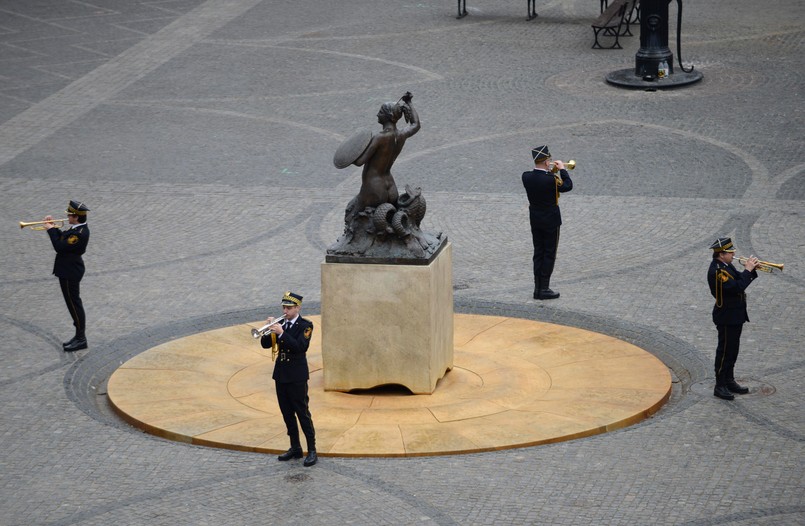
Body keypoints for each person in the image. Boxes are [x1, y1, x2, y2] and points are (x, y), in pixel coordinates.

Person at [260, 291, 318, 466]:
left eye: (289, 308)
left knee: (302, 413)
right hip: (281, 374)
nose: (285, 310)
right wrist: (268, 330)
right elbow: (265, 345)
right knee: (287, 413)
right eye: (284, 307)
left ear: (297, 308)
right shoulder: (280, 324)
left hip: (297, 376)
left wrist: (282, 333)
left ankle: (312, 449)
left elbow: (301, 347)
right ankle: (295, 447)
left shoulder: (305, 325)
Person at [707, 238, 759, 400]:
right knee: (724, 352)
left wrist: (749, 270)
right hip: (727, 316)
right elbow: (737, 286)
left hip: (735, 315)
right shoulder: (717, 271)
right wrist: (748, 270)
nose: (734, 254)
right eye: (730, 252)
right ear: (721, 255)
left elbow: (739, 279)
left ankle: (729, 380)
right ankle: (720, 385)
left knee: (733, 350)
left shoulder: (726, 266)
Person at [353, 91, 420, 211]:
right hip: (390, 185)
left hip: (374, 186)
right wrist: (409, 103)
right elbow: (415, 125)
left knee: (354, 213)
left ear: (388, 115)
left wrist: (351, 151)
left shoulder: (380, 137)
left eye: (381, 112)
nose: (378, 114)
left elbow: (359, 162)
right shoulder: (401, 135)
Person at [522, 145, 573, 300]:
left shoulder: (526, 176)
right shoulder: (551, 180)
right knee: (549, 253)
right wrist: (563, 169)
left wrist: (551, 171)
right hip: (551, 221)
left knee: (538, 252)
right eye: (549, 160)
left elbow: (541, 180)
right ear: (546, 162)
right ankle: (544, 288)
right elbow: (567, 186)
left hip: (535, 220)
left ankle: (538, 288)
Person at [44, 200, 90, 352]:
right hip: (68, 269)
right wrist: (53, 227)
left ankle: (81, 338)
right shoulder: (76, 229)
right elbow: (63, 238)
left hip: (70, 272)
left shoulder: (79, 234)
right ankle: (78, 336)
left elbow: (59, 247)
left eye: (69, 214)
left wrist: (51, 230)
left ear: (76, 217)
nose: (67, 217)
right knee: (72, 304)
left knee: (74, 304)